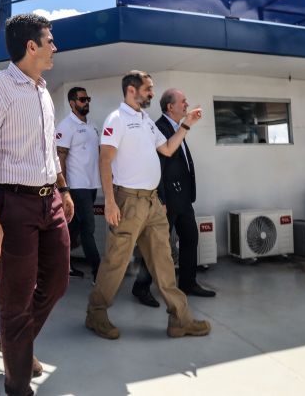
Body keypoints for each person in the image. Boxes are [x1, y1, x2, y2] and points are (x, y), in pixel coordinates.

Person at [0, 13, 74, 396]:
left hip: (50, 202)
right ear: (31, 46)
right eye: (50, 40)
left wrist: (63, 189)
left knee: (58, 282)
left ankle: (11, 343)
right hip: (12, 205)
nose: (54, 47)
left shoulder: (42, 90)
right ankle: (17, 386)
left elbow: (48, 149)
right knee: (16, 298)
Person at [86, 70, 211, 341]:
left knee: (164, 260)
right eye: (148, 89)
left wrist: (186, 125)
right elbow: (105, 160)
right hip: (127, 201)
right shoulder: (116, 119)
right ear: (132, 90)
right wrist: (109, 202)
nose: (152, 94)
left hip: (153, 202)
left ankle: (180, 320)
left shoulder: (145, 121)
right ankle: (96, 314)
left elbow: (167, 149)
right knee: (116, 262)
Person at [132, 88, 215, 308]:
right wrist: (162, 199)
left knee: (190, 239)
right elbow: (157, 166)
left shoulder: (177, 127)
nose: (186, 105)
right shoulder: (160, 127)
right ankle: (140, 287)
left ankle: (188, 283)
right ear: (170, 106)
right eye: (183, 101)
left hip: (184, 199)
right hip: (168, 200)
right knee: (157, 247)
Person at [56, 86, 101, 283]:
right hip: (76, 187)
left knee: (73, 228)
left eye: (88, 98)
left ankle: (62, 266)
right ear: (72, 103)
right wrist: (63, 189)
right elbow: (60, 158)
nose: (86, 102)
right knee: (88, 228)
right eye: (82, 99)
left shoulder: (92, 125)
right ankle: (98, 272)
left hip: (91, 185)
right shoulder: (66, 126)